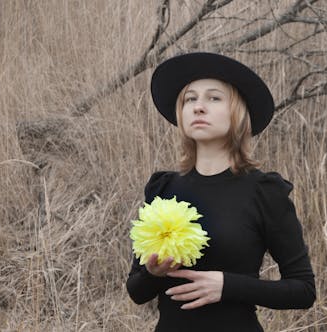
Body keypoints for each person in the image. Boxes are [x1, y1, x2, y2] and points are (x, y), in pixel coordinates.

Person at [126, 52, 316, 332]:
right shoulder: (163, 189)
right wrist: (154, 273)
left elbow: (303, 290)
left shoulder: (264, 191)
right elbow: (136, 291)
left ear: (237, 113)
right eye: (190, 99)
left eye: (214, 98)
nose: (198, 107)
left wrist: (228, 286)